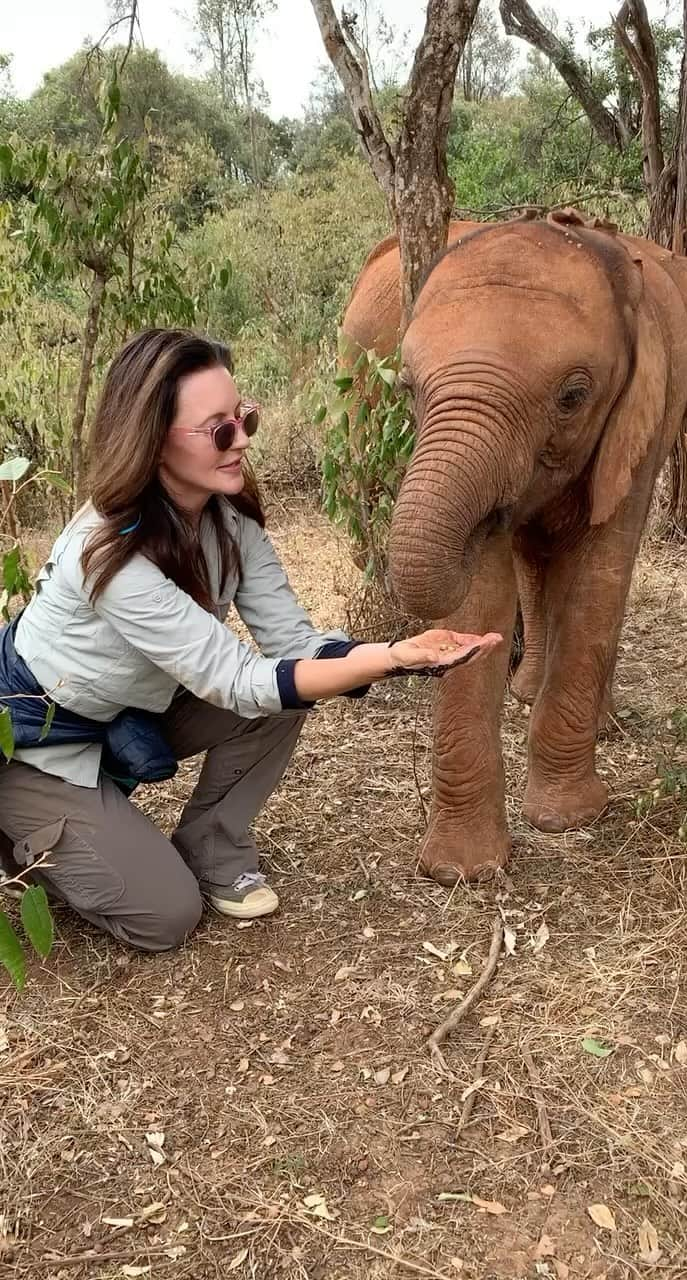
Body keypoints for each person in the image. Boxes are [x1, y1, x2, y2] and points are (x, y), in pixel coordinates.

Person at [0, 329, 501, 953]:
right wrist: (392, 656)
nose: (241, 439)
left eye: (244, 418)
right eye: (218, 430)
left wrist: (391, 657)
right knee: (166, 915)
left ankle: (212, 840)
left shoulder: (229, 524)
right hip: (43, 745)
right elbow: (236, 679)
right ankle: (23, 832)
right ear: (153, 442)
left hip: (130, 713)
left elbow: (292, 647)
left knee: (284, 700)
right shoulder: (109, 555)